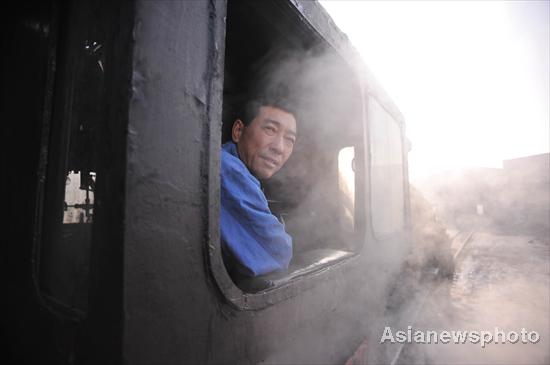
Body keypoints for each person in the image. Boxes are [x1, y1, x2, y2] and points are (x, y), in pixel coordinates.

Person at [220, 98, 297, 277]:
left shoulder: (239, 169)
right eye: (270, 129)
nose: (279, 147)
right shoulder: (225, 168)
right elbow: (277, 252)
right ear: (238, 131)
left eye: (289, 139)